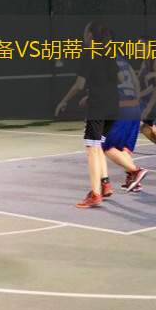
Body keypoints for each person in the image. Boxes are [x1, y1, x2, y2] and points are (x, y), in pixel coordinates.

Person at [55, 21, 119, 208]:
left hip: (98, 107)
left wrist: (64, 100)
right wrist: (95, 93)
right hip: (113, 106)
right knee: (98, 146)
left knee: (92, 149)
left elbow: (79, 84)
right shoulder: (108, 52)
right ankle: (105, 184)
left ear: (90, 35)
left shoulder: (89, 53)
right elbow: (118, 78)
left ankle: (95, 194)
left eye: (85, 32)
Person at [83, 53, 149, 192]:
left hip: (120, 108)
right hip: (134, 107)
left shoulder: (104, 60)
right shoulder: (125, 62)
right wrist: (136, 103)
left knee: (104, 146)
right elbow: (136, 83)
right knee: (123, 149)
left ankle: (135, 171)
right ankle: (133, 180)